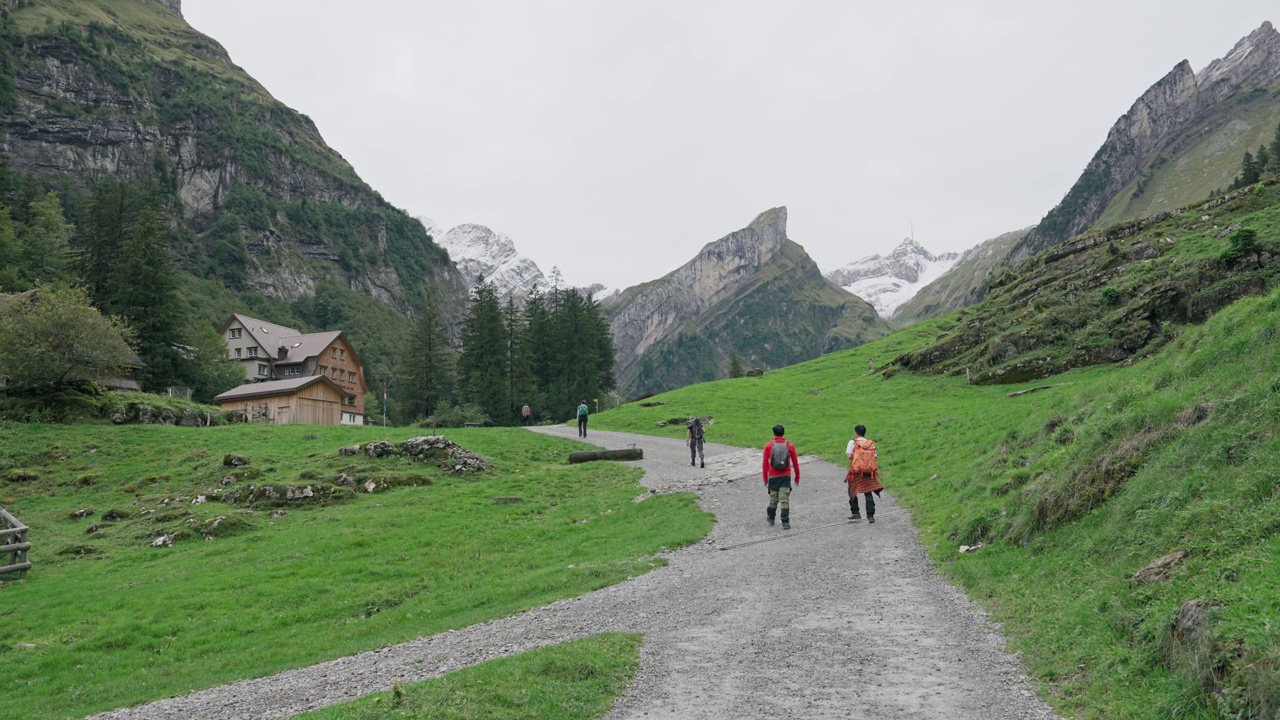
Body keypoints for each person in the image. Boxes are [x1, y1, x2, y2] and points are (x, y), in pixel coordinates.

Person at [762, 424, 800, 529]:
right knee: (784, 499)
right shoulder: (790, 446)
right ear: (783, 433)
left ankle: (771, 518)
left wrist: (765, 478)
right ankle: (785, 522)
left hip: (773, 477)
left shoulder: (768, 446)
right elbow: (795, 463)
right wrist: (797, 476)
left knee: (773, 499)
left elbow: (765, 464)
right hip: (785, 476)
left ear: (773, 433)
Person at [845, 424, 884, 523]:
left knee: (852, 490)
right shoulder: (870, 443)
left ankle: (856, 513)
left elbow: (849, 456)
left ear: (856, 432)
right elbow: (875, 457)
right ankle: (870, 515)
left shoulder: (852, 442)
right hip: (869, 472)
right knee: (868, 491)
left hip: (856, 471)